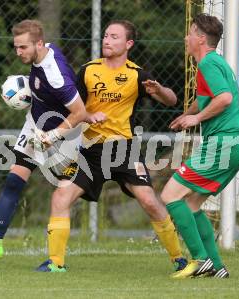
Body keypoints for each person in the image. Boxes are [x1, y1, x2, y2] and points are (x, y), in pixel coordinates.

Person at [35, 19, 187, 273]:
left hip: (124, 150)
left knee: (149, 201)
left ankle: (178, 258)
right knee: (61, 197)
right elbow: (74, 110)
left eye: (114, 37)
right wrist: (85, 117)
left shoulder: (137, 74)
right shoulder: (88, 71)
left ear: (128, 44)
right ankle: (56, 262)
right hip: (91, 151)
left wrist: (159, 90)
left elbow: (171, 100)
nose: (107, 40)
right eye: (106, 35)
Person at [0, 19, 87, 265]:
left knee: (67, 193)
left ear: (39, 44)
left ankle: (56, 260)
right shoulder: (44, 52)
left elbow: (79, 113)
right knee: (13, 181)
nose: (18, 52)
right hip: (34, 127)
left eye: (23, 47)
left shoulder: (55, 75)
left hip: (62, 135)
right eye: (16, 47)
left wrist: (52, 135)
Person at [160, 13, 239, 279]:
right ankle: (217, 267)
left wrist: (196, 118)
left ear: (200, 38)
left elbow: (224, 98)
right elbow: (209, 97)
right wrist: (187, 114)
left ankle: (200, 260)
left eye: (189, 33)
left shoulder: (208, 63)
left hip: (222, 143)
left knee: (170, 195)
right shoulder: (215, 63)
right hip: (234, 144)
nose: (185, 38)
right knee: (193, 204)